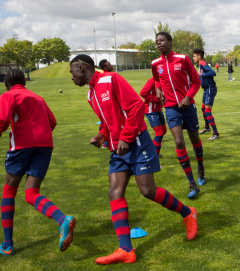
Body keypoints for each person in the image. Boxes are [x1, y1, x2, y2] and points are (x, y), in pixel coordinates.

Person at [69, 54, 198, 264]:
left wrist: (126, 137)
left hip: (136, 142)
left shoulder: (111, 79)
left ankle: (188, 213)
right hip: (118, 150)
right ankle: (126, 250)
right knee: (115, 192)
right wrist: (101, 136)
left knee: (147, 191)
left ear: (82, 68)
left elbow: (136, 106)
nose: (71, 77)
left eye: (72, 72)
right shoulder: (91, 95)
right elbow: (107, 122)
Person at [0, 69, 76, 256]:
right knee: (31, 193)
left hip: (21, 146)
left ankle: (7, 244)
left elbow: (1, 120)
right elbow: (52, 121)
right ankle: (62, 219)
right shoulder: (37, 97)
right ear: (25, 81)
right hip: (44, 146)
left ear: (6, 83)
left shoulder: (9, 95)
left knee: (9, 191)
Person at [151, 32, 205, 198]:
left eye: (162, 40)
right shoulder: (155, 63)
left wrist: (188, 97)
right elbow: (156, 79)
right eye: (157, 41)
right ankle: (191, 183)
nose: (159, 43)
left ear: (170, 42)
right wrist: (158, 88)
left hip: (188, 106)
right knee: (179, 141)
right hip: (170, 107)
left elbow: (196, 81)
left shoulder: (182, 59)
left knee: (194, 139)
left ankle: (200, 166)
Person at [193, 48, 220, 140]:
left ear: (199, 56)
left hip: (210, 89)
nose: (193, 58)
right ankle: (207, 127)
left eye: (194, 56)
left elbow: (212, 73)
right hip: (206, 89)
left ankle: (216, 133)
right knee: (203, 109)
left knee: (208, 111)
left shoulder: (203, 64)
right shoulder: (200, 65)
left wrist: (201, 75)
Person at [140, 77, 167, 157]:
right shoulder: (152, 80)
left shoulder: (164, 79)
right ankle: (154, 154)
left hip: (158, 110)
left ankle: (152, 150)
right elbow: (143, 93)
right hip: (151, 110)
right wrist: (156, 99)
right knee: (159, 133)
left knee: (164, 131)